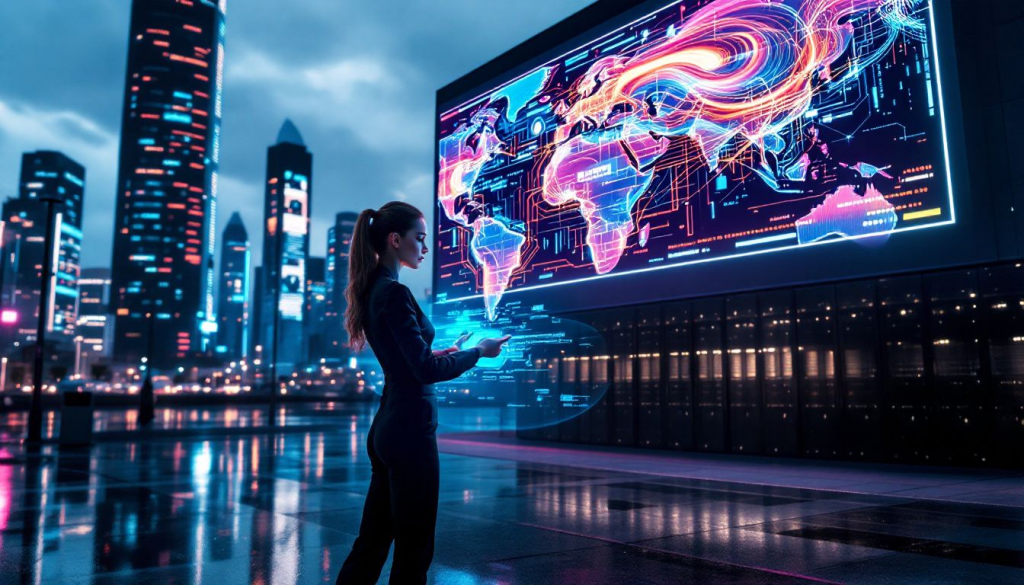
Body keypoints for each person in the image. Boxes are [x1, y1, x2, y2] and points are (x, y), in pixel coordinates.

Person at [336, 202, 510, 584]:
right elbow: (424, 371)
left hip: (388, 428)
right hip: (410, 432)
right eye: (420, 238)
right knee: (414, 550)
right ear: (395, 240)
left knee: (373, 542)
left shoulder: (374, 291)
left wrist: (441, 350)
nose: (425, 248)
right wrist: (479, 353)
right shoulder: (394, 293)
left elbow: (409, 360)